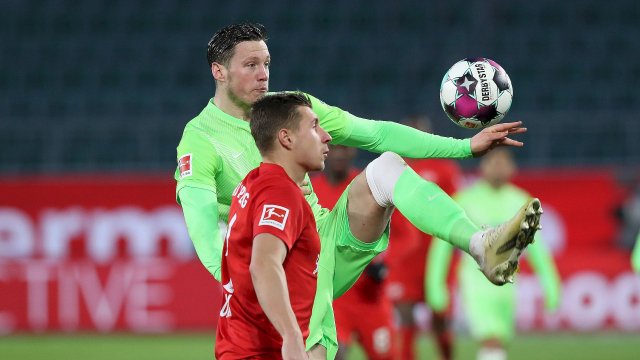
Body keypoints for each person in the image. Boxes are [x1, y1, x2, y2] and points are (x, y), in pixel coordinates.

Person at [175, 22, 542, 359]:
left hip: (325, 240)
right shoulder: (201, 139)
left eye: (266, 63)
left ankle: (481, 245)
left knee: (385, 168)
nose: (264, 74)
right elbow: (204, 227)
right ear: (219, 72)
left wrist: (462, 148)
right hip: (279, 273)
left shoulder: (290, 109)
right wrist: (241, 290)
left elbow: (377, 134)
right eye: (251, 65)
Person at [215, 92, 330, 359]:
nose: (326, 136)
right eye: (314, 126)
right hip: (262, 352)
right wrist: (291, 337)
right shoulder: (280, 193)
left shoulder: (253, 182)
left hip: (238, 346)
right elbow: (264, 263)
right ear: (286, 138)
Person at [426, 149, 561, 360]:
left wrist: (551, 284)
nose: (498, 167)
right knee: (490, 339)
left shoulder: (522, 201)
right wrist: (435, 285)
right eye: (492, 162)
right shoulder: (464, 200)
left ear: (512, 168)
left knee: (498, 341)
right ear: (483, 166)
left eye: (503, 162)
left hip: (509, 284)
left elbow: (537, 250)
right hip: (475, 281)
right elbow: (441, 245)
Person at [312, 145, 399, 360]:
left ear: (353, 152)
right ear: (325, 151)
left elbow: (404, 235)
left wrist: (384, 261)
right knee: (334, 353)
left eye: (345, 148)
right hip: (333, 298)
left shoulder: (369, 189)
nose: (339, 154)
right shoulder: (309, 191)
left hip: (371, 298)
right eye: (334, 148)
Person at [385, 115, 461, 360]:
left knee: (439, 319)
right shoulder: (393, 168)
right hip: (404, 258)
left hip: (436, 257)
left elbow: (458, 209)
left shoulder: (444, 169)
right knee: (405, 316)